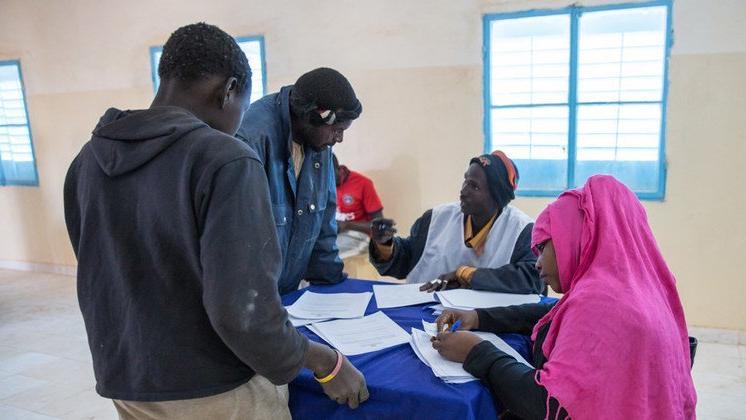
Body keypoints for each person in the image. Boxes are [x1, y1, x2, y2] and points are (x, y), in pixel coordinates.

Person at [64, 23, 367, 419]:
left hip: (128, 379)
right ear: (229, 91)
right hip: (215, 385)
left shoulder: (86, 160)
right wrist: (324, 361)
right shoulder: (227, 159)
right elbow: (243, 311)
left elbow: (108, 274)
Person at [431, 175, 697, 419]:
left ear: (576, 237)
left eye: (543, 246)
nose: (537, 263)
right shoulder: (639, 291)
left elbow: (546, 403)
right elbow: (554, 310)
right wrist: (478, 317)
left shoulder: (600, 303)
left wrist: (476, 352)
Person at [236, 68, 362, 294]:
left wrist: (331, 287)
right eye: (337, 130)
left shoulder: (319, 143)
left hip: (288, 294)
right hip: (252, 297)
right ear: (312, 116)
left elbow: (324, 223)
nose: (339, 139)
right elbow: (238, 238)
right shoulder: (251, 140)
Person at [369, 151, 543, 295]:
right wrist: (385, 245)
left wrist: (464, 274)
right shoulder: (436, 218)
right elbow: (406, 260)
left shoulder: (521, 231)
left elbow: (533, 280)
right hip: (425, 311)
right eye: (465, 180)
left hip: (486, 321)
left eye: (474, 186)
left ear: (496, 198)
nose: (463, 191)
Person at [333, 153, 384, 257]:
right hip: (333, 235)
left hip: (359, 235)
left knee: (331, 252)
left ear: (337, 169)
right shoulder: (321, 185)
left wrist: (347, 225)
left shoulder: (363, 183)